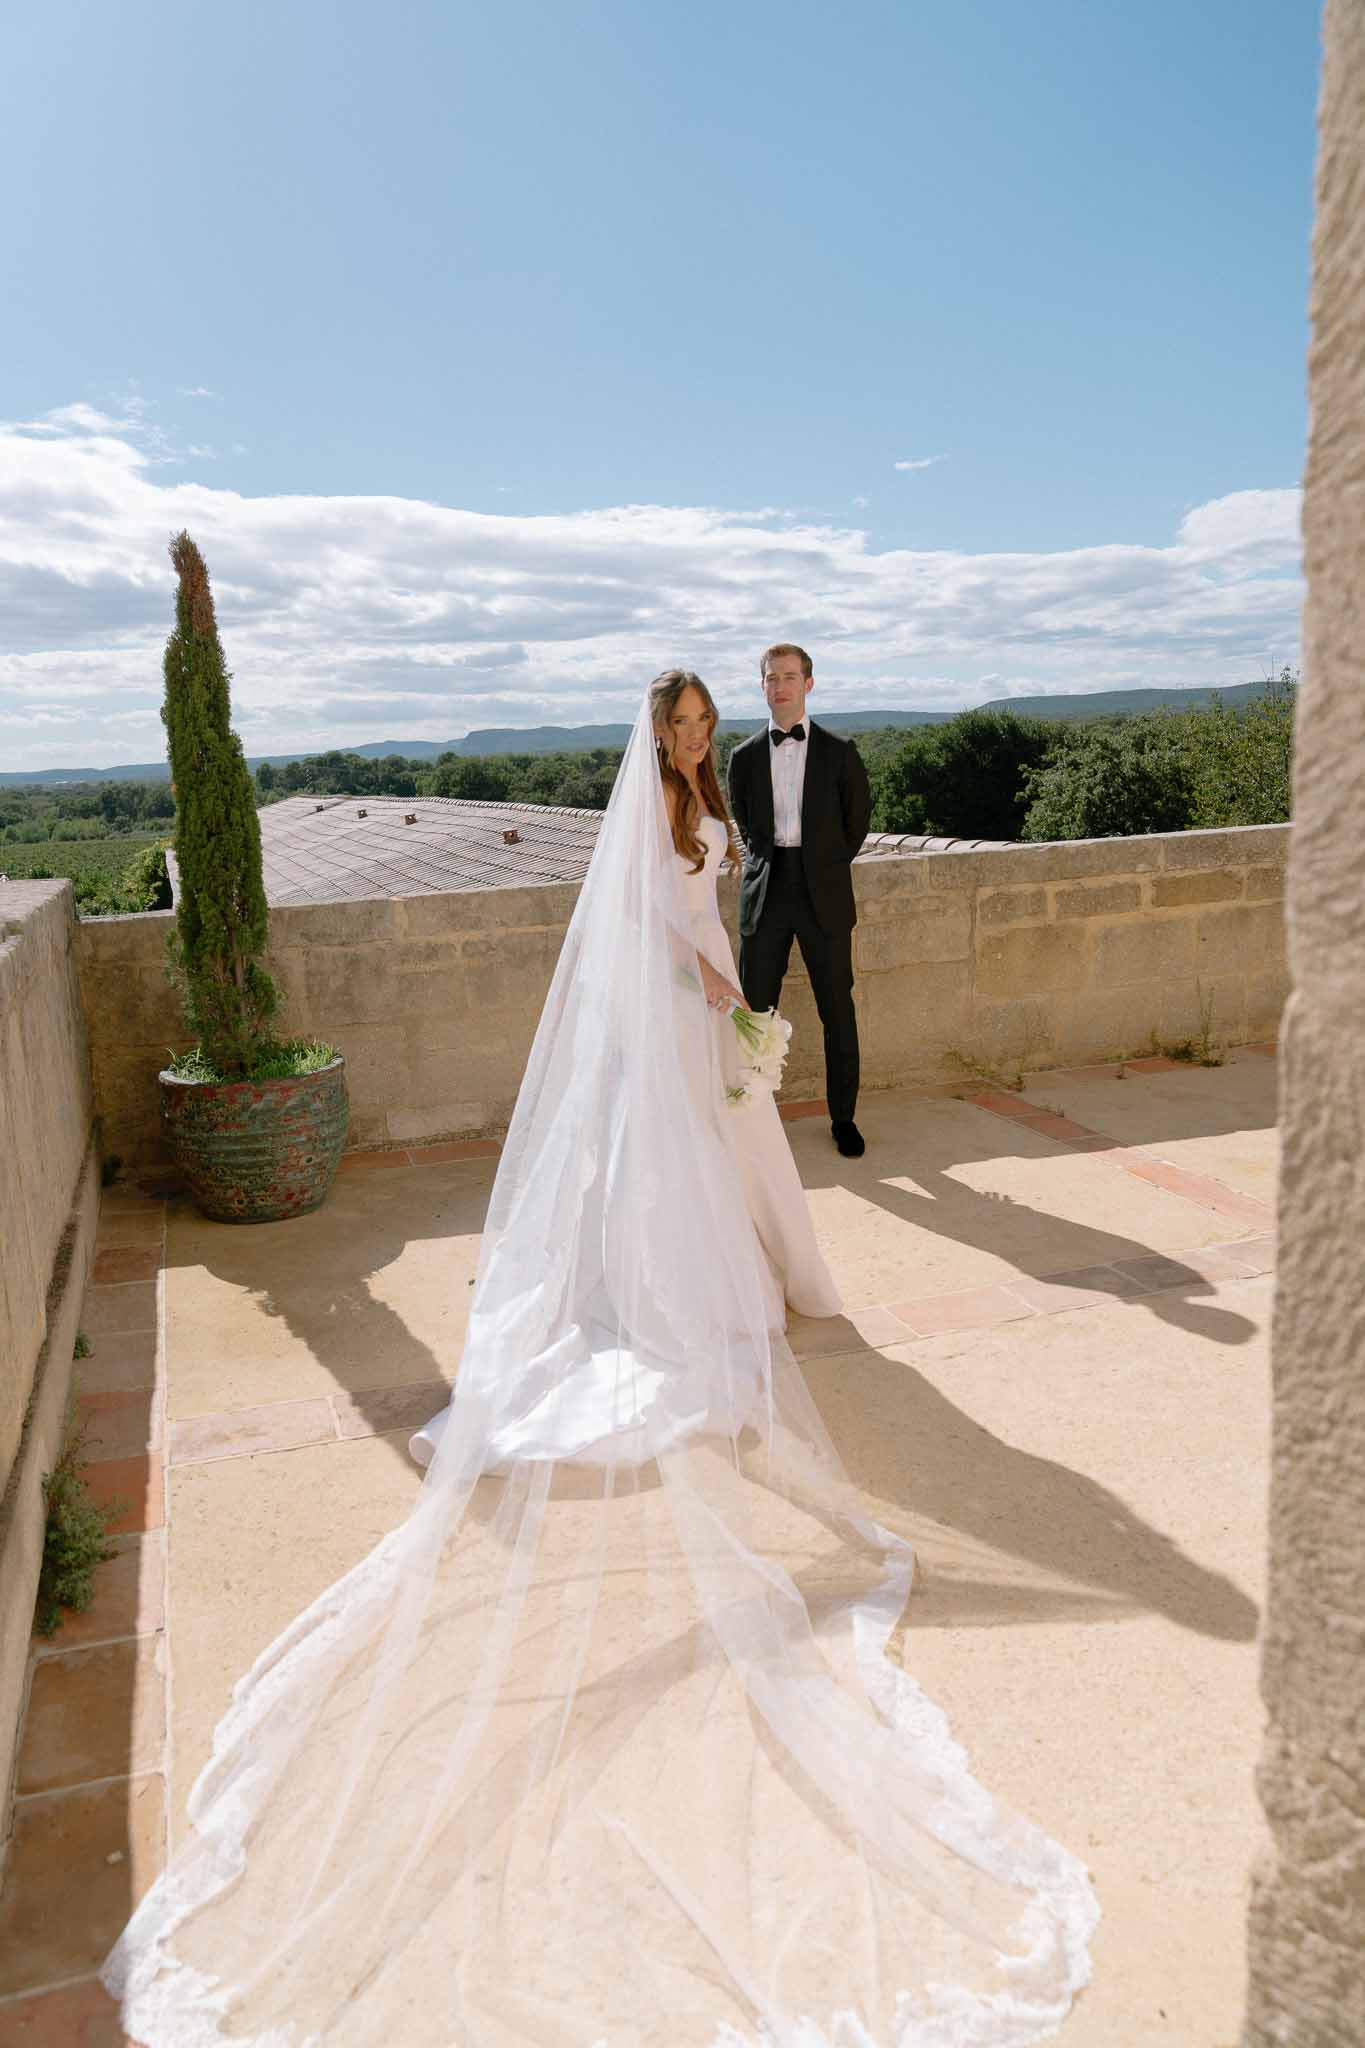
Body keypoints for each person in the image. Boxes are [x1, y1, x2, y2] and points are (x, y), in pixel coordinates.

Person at [103, 675, 1096, 2048]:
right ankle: (682, 1300)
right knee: (697, 1164)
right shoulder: (654, 813)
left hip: (714, 1003)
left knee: (738, 1158)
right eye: (680, 726)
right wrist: (719, 993)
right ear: (658, 733)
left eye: (704, 723)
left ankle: (768, 1278)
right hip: (686, 1004)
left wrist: (731, 989)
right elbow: (650, 916)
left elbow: (722, 891)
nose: (695, 739)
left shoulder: (716, 796)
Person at [728, 642, 872, 1159]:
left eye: (790, 677)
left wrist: (823, 868)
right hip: (766, 893)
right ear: (762, 685)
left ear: (808, 684)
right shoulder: (742, 758)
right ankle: (752, 1119)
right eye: (772, 677)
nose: (781, 686)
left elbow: (856, 826)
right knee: (754, 1016)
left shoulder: (841, 752)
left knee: (839, 1010)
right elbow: (746, 826)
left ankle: (844, 1119)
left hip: (824, 894)